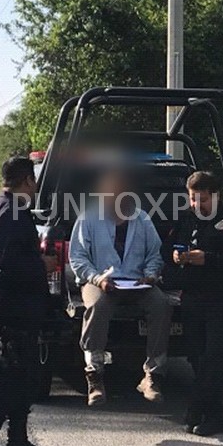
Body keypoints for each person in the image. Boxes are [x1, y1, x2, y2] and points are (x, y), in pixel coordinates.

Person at [0, 156, 56, 446]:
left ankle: (17, 440)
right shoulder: (12, 212)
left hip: (14, 306)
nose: (35, 186)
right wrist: (43, 265)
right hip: (12, 308)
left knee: (24, 376)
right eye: (33, 180)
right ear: (27, 181)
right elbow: (9, 264)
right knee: (8, 376)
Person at [69, 172, 172, 406]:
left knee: (161, 304)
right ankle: (94, 375)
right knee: (97, 305)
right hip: (101, 283)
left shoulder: (142, 219)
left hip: (137, 283)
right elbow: (78, 258)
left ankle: (152, 375)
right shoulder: (88, 219)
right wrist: (98, 280)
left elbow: (155, 254)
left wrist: (151, 276)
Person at [161, 171, 223, 436]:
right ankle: (207, 412)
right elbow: (171, 248)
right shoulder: (186, 219)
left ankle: (205, 411)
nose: (197, 205)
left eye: (203, 199)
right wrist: (177, 256)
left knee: (213, 359)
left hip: (222, 299)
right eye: (193, 199)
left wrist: (208, 258)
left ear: (217, 196)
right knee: (196, 357)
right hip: (193, 298)